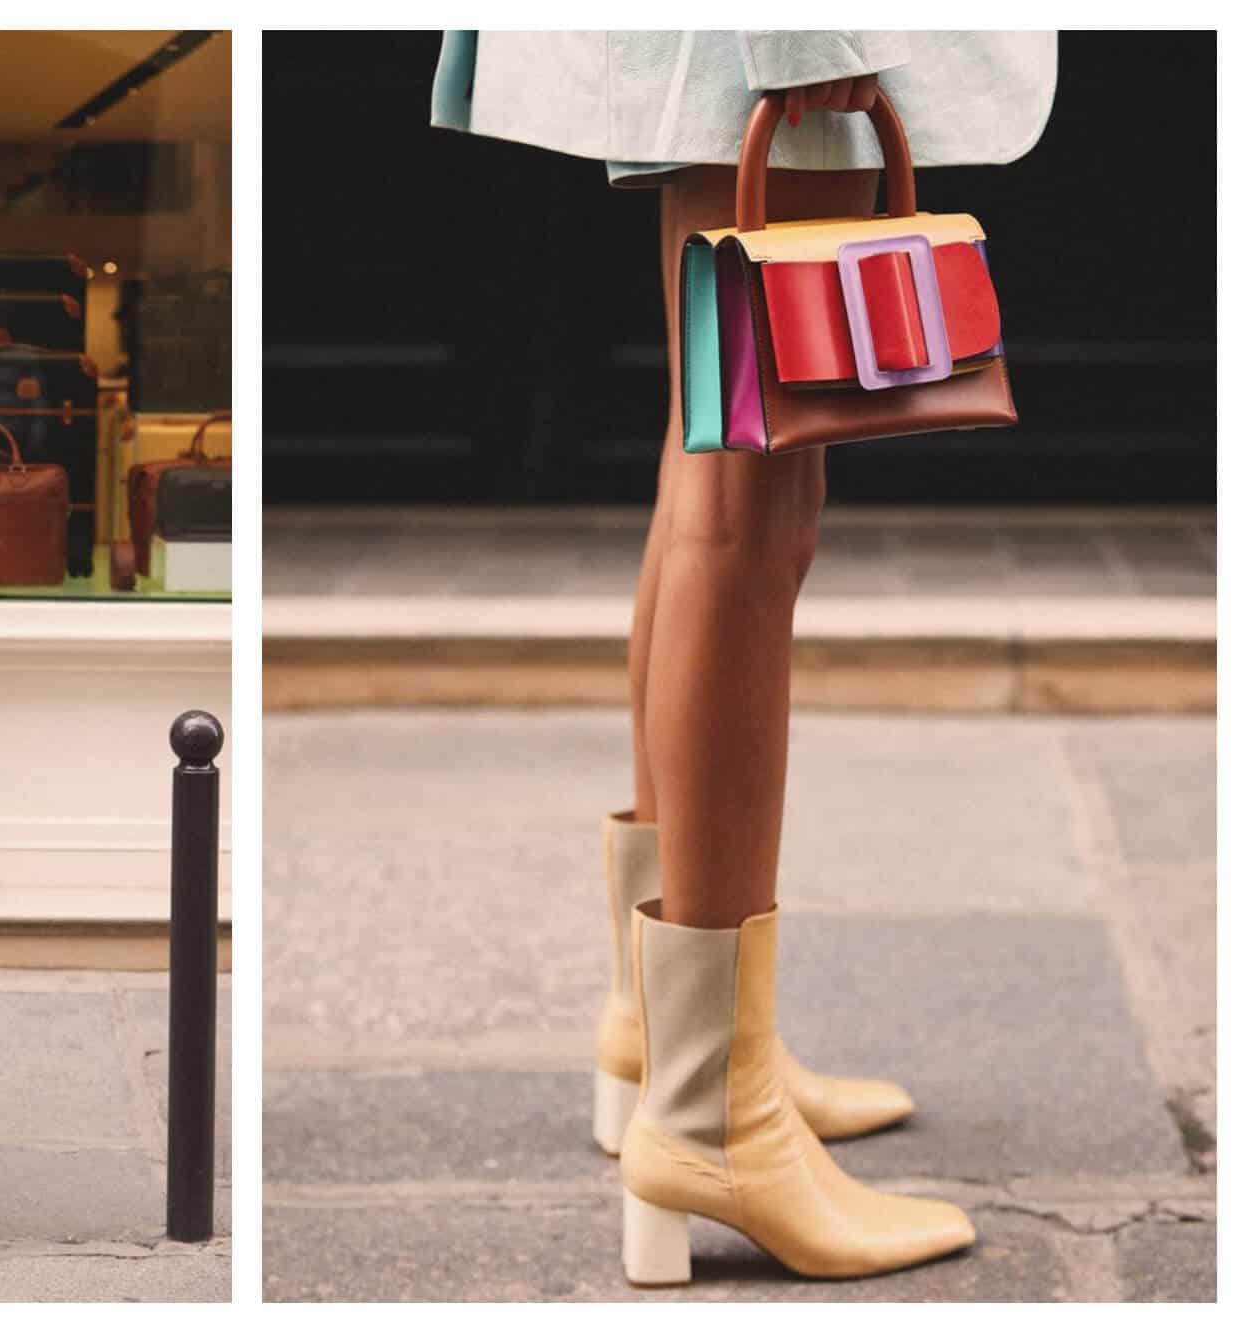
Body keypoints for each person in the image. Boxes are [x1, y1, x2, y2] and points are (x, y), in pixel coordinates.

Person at [432, 31, 1056, 1284]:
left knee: (712, 458)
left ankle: (665, 1035)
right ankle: (714, 1113)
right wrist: (807, 29)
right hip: (784, 33)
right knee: (750, 502)